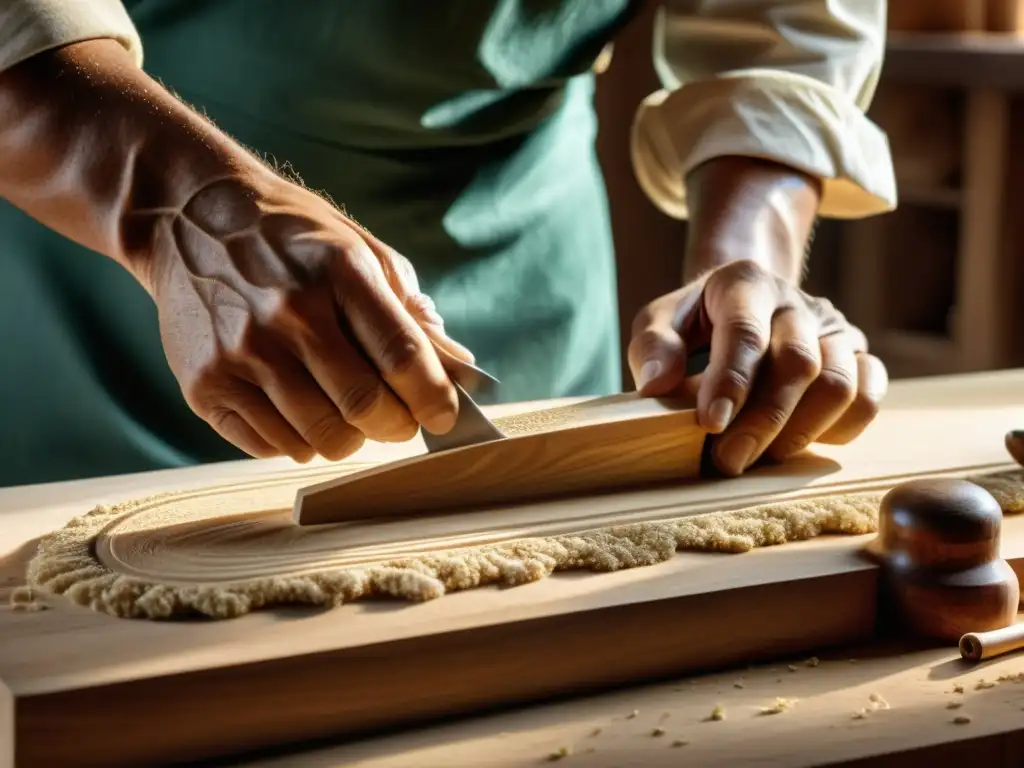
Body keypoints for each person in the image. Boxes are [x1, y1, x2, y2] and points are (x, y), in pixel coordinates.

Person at [0, 0, 895, 488]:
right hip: (86, 239)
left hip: (525, 262)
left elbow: (778, 30)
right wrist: (175, 206)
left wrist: (750, 275)